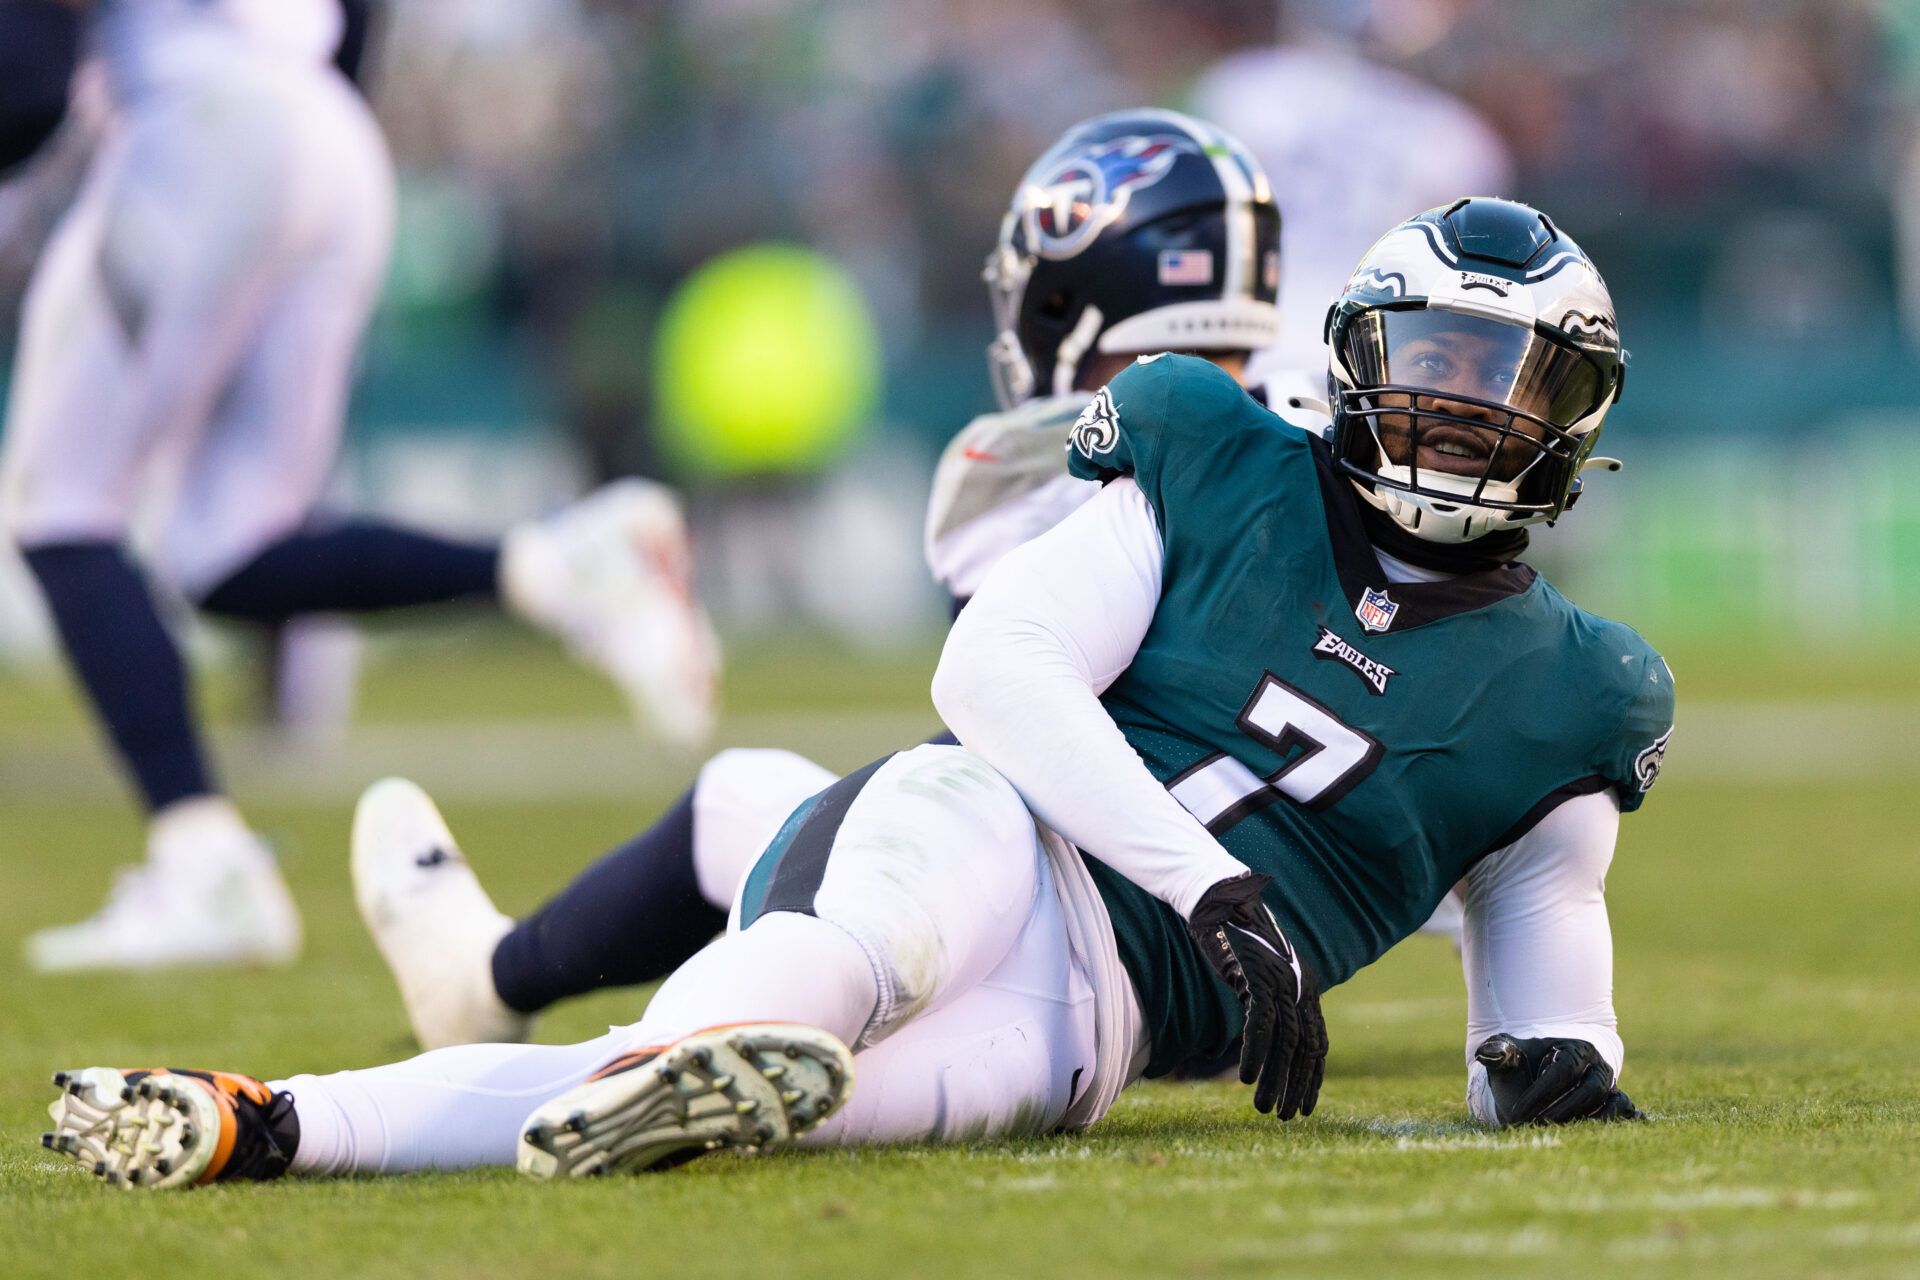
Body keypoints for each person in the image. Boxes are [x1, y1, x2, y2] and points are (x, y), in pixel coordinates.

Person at [42, 197, 1671, 1189]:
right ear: (1356, 355)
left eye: (1505, 386)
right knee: (844, 948)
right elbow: (993, 676)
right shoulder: (1216, 452)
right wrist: (1220, 885)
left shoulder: (1574, 698)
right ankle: (703, 1017)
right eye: (1433, 368)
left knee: (735, 1100)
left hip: (1088, 1038)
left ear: (1576, 419)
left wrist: (1557, 1068)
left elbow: (1542, 1004)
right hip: (992, 834)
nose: (1459, 420)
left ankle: (271, 1126)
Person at [346, 108, 1304, 1055]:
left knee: (741, 795)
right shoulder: (1327, 465)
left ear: (1072, 297)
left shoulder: (1018, 466)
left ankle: (490, 986)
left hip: (1100, 936)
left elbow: (1009, 714)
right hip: (1271, 952)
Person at [2, 0, 718, 974]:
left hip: (198, 133)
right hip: (328, 137)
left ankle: (204, 863)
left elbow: (26, 87)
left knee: (61, 508)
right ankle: (559, 566)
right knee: (230, 547)